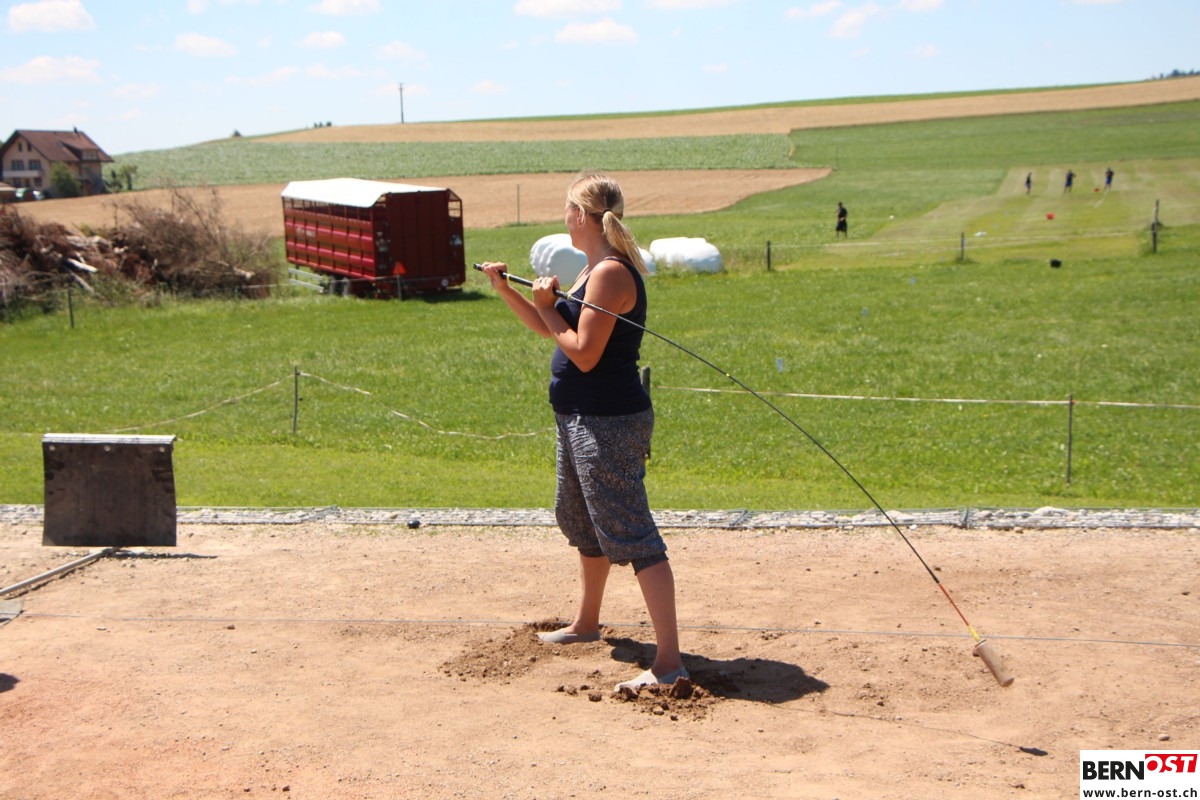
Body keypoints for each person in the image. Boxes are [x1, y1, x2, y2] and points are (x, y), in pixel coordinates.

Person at [479, 171, 686, 691]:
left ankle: (669, 663)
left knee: (632, 533)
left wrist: (549, 308)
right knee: (582, 521)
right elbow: (551, 329)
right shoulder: (592, 271)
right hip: (578, 417)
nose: (564, 217)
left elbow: (585, 354)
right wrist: (509, 292)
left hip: (608, 421)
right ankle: (587, 623)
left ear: (578, 215)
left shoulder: (610, 274)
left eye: (566, 209)